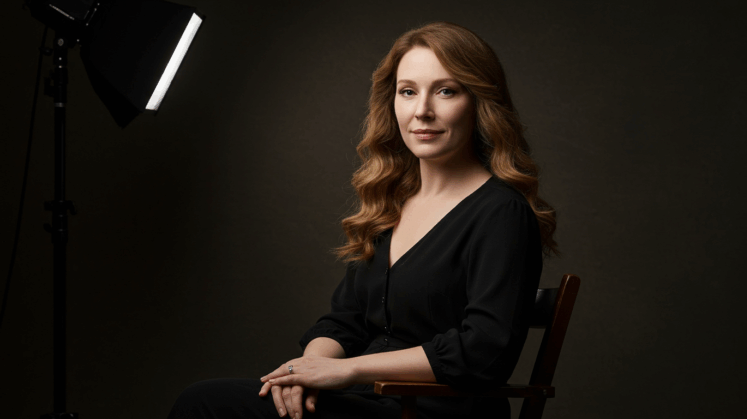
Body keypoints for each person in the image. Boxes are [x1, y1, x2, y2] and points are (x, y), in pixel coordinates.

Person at [168, 21, 557, 419]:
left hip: (434, 412)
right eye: (408, 92)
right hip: (365, 402)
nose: (422, 110)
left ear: (478, 102)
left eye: (446, 91)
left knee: (206, 404)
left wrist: (346, 369)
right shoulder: (391, 206)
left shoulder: (501, 212)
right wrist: (305, 371)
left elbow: (483, 351)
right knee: (208, 397)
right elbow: (343, 321)